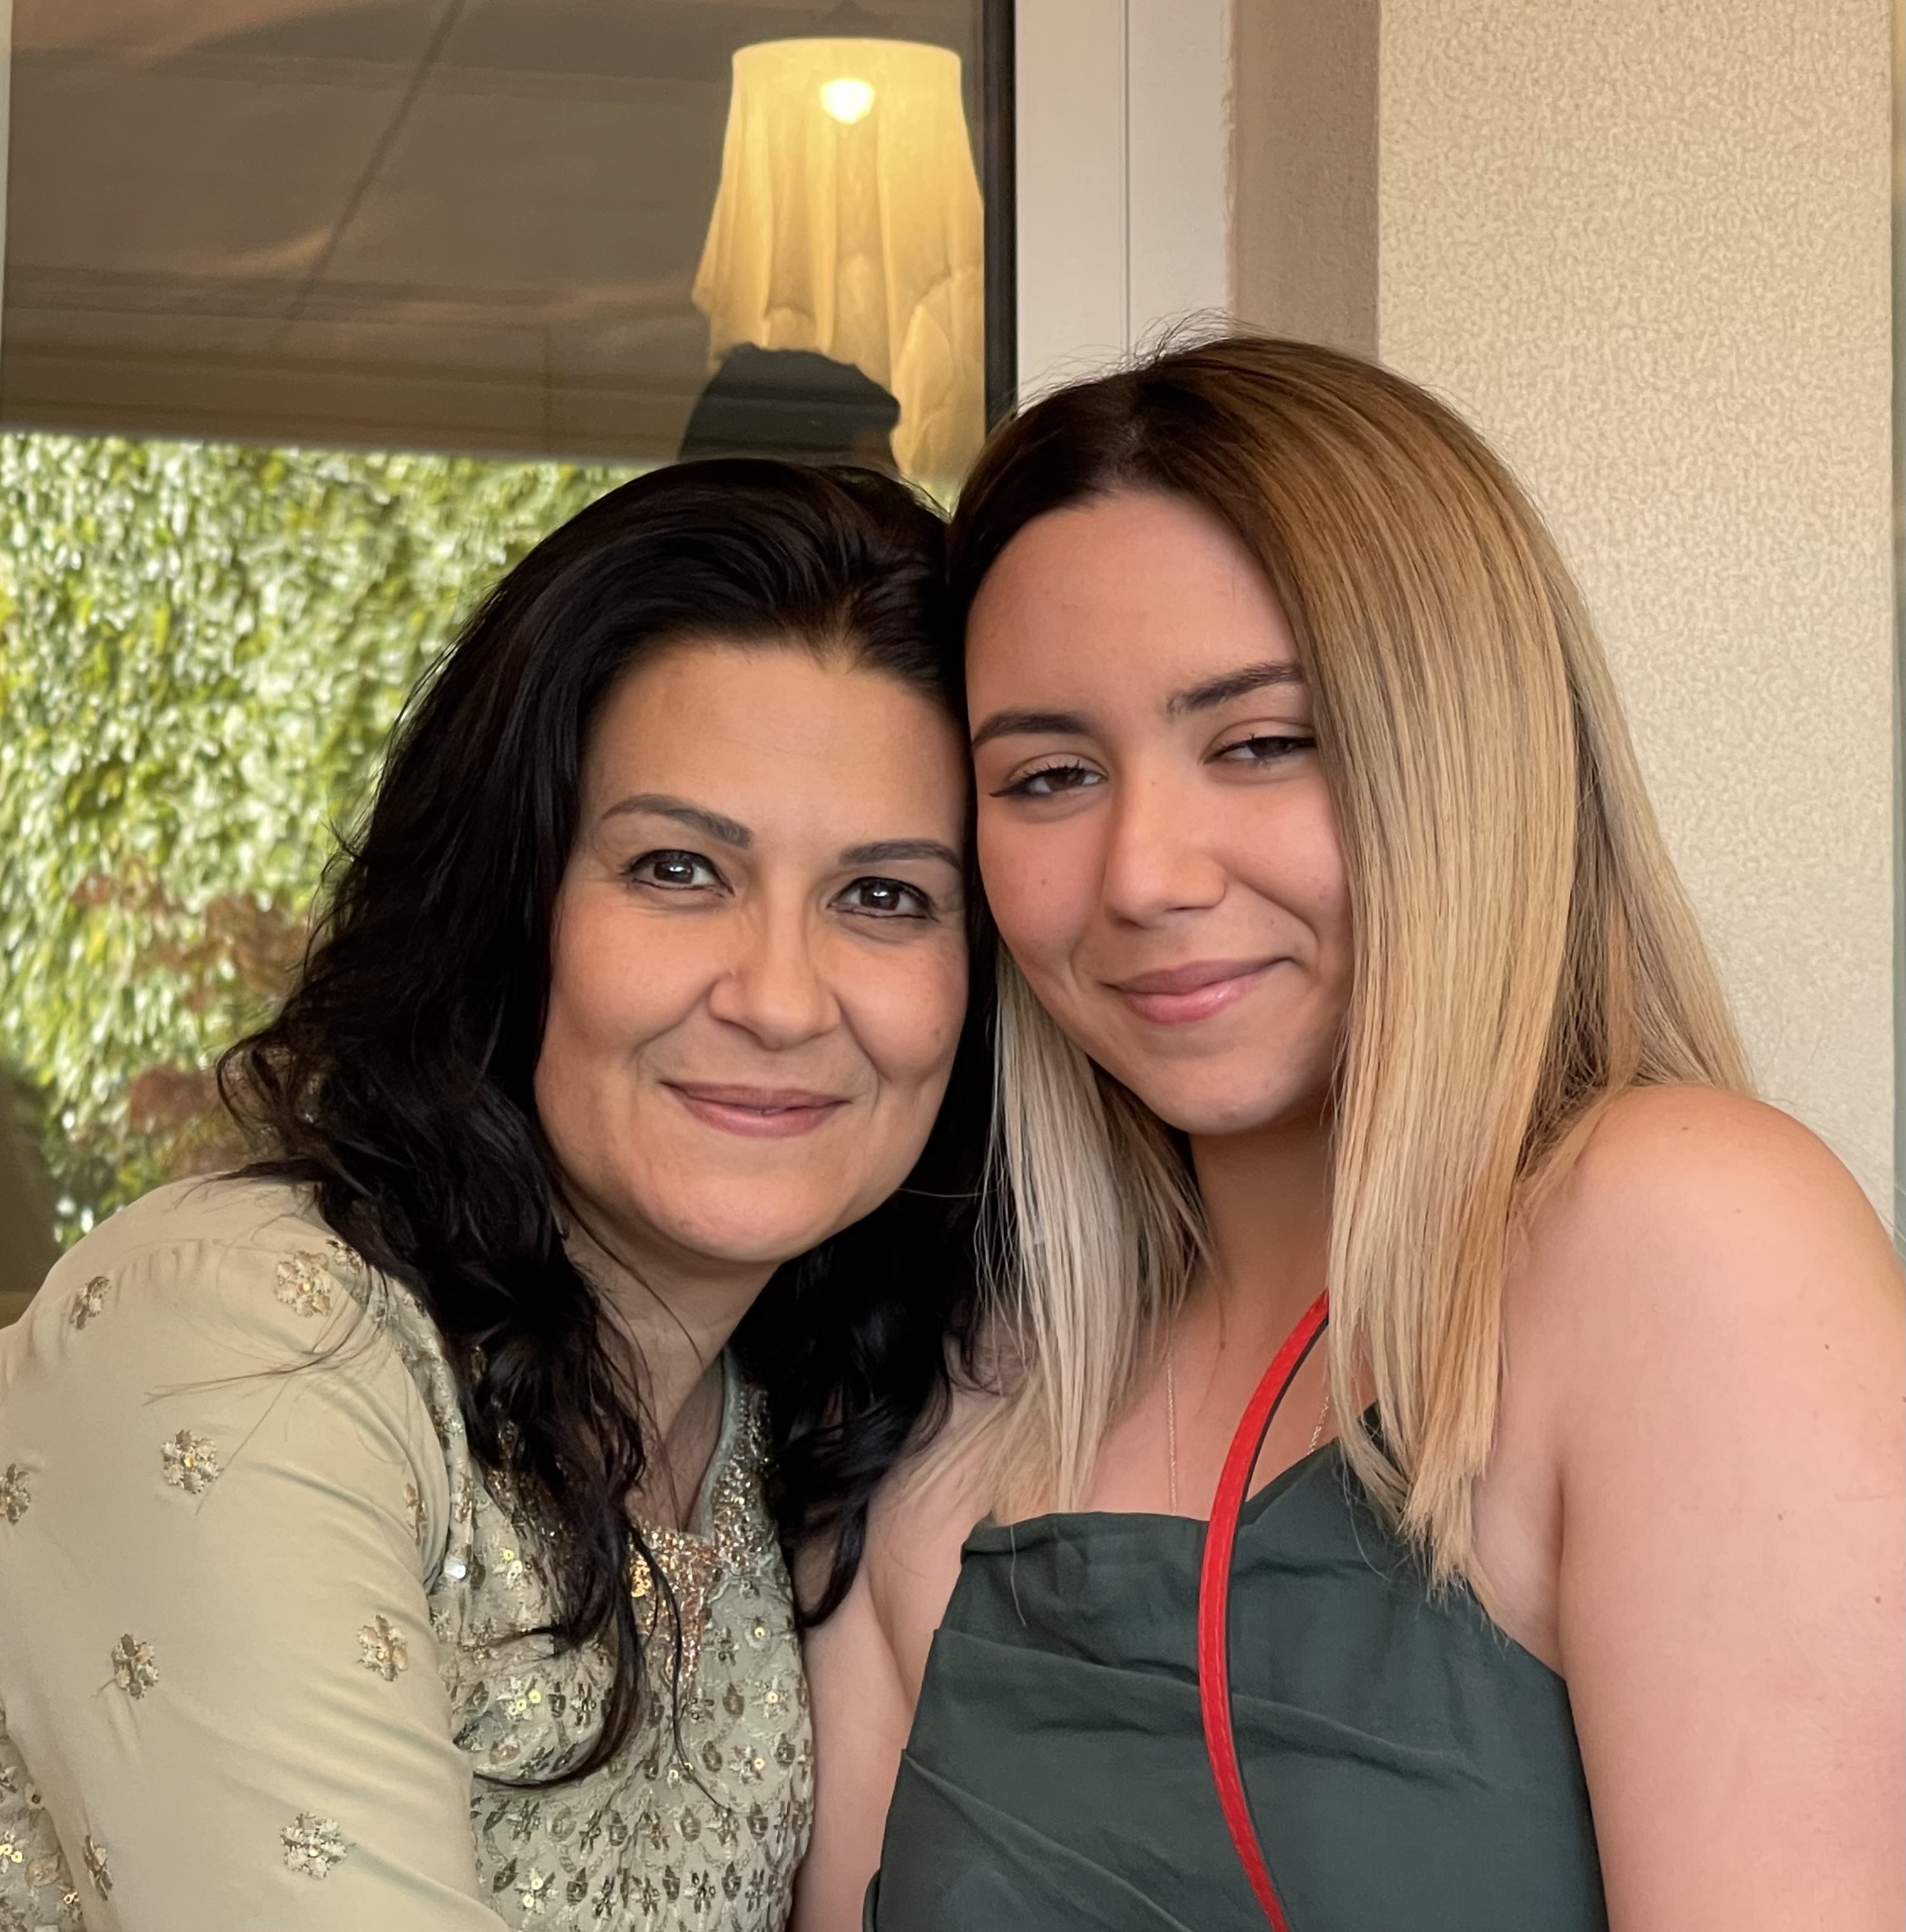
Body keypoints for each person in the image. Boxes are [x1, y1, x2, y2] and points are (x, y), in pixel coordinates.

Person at [796, 337, 1905, 1931]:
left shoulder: (1684, 1235)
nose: (1143, 875)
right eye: (1048, 776)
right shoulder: (968, 1395)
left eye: (1260, 743)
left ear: (1463, 758)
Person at [0, 459, 988, 1930]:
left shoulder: (791, 1428)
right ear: (506, 903)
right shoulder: (243, 1339)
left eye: (885, 896)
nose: (781, 999)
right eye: (677, 869)